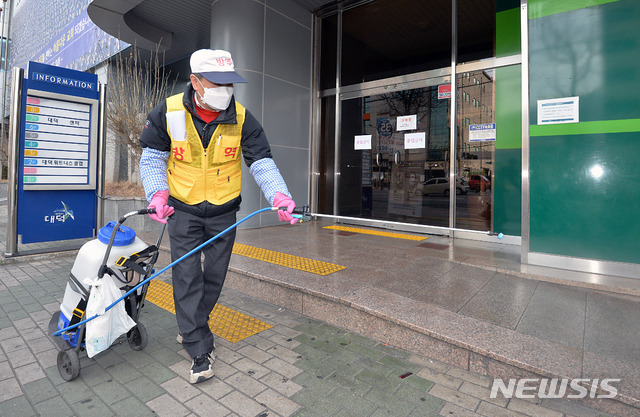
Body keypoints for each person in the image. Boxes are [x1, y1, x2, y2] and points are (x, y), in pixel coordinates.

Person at [139, 49, 298, 384]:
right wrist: (157, 194)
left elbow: (261, 161)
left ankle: (192, 324)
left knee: (213, 276)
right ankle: (198, 345)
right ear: (195, 81)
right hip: (181, 209)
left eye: (230, 83)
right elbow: (152, 157)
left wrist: (280, 196)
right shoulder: (167, 112)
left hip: (224, 211)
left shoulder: (241, 117)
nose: (225, 90)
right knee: (185, 275)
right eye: (217, 82)